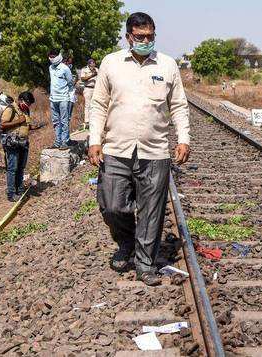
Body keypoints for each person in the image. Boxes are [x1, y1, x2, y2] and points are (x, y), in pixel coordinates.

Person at [88, 12, 190, 286]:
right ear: (128, 37)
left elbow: (178, 105)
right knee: (112, 206)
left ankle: (145, 265)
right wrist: (94, 139)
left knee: (151, 211)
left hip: (154, 151)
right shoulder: (111, 63)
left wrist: (183, 138)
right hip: (116, 148)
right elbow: (98, 104)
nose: (145, 41)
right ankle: (127, 242)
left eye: (150, 36)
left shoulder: (167, 65)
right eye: (140, 37)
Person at [1, 91, 35, 202]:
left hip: (23, 142)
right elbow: (3, 125)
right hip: (12, 143)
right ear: (20, 99)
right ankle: (11, 194)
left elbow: (26, 125)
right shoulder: (11, 109)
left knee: (21, 168)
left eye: (29, 104)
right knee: (12, 169)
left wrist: (33, 127)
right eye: (27, 103)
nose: (28, 106)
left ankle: (19, 191)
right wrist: (18, 121)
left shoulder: (26, 110)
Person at [48, 48, 74, 149]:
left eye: (53, 57)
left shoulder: (65, 68)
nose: (51, 59)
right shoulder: (50, 68)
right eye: (50, 57)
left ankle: (65, 142)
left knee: (64, 121)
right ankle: (57, 141)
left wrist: (68, 95)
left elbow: (70, 82)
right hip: (53, 99)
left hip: (63, 98)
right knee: (55, 121)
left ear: (58, 56)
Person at [80, 58, 98, 129]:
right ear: (89, 64)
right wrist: (92, 75)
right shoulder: (84, 69)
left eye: (94, 63)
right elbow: (82, 79)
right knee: (88, 105)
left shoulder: (97, 70)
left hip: (95, 89)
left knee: (95, 105)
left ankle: (94, 120)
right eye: (91, 63)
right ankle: (87, 121)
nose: (93, 64)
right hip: (88, 88)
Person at [65, 54, 77, 119]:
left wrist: (74, 81)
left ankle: (68, 117)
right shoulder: (63, 68)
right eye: (69, 61)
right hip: (64, 90)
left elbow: (76, 77)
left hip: (71, 89)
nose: (70, 62)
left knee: (71, 102)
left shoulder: (72, 68)